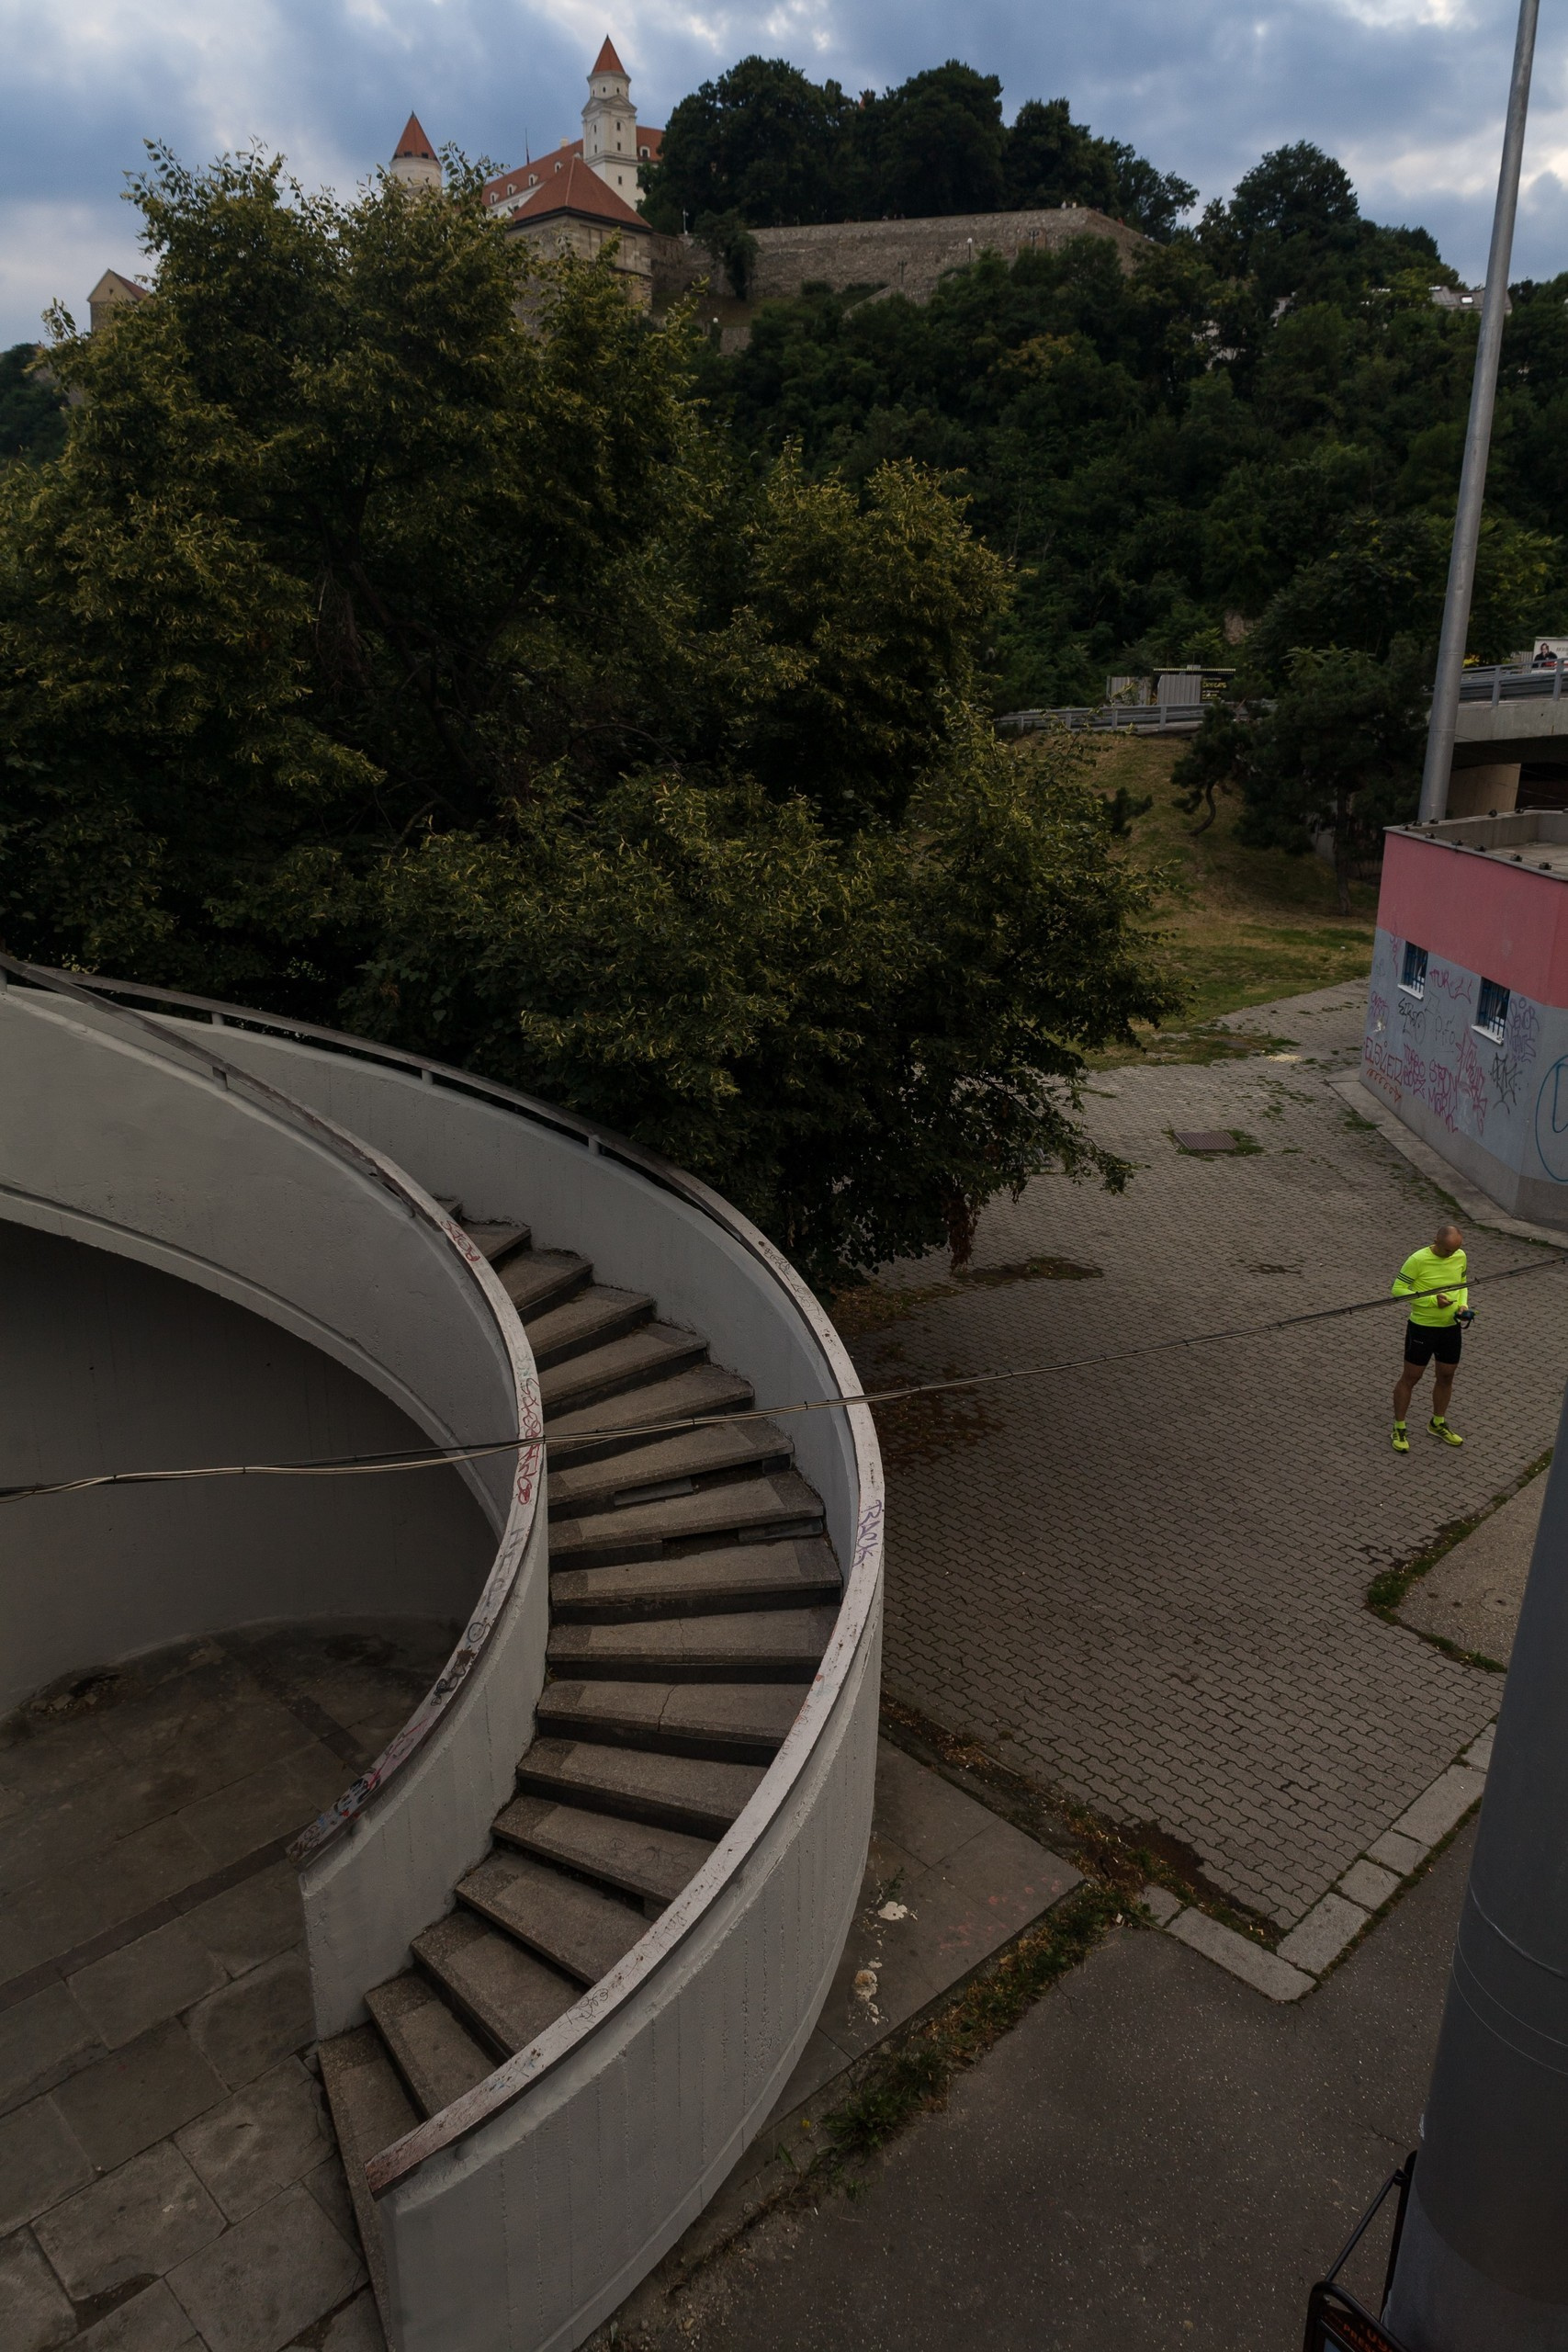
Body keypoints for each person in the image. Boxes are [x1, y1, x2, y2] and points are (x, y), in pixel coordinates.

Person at [1391, 1223, 1472, 1453]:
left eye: (1456, 1250)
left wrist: (1463, 1304)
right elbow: (1397, 1290)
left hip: (1450, 1328)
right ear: (1436, 1241)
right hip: (1422, 1328)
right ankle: (1399, 1426)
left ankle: (1437, 1422)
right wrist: (1431, 1301)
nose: (1452, 1255)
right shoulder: (1417, 1259)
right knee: (1411, 1377)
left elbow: (1462, 1284)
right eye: (1448, 1251)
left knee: (1447, 1375)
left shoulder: (1460, 1256)